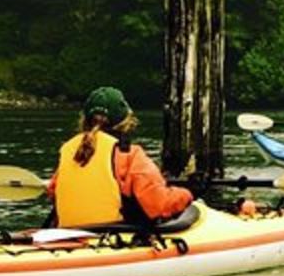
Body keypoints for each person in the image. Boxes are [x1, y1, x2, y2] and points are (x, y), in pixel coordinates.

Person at [46, 86, 194, 228]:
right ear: (125, 122)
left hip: (68, 235)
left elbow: (53, 191)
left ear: (85, 120)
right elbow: (159, 204)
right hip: (112, 236)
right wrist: (188, 193)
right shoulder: (129, 155)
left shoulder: (69, 150)